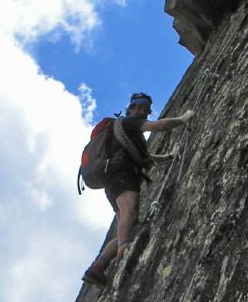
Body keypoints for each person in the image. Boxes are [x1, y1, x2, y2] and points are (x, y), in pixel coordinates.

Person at [82, 92, 195, 288]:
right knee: (130, 213)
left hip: (113, 180)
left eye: (146, 107)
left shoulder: (129, 135)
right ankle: (124, 253)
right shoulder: (129, 122)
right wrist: (183, 119)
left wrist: (169, 156)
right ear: (131, 107)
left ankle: (97, 267)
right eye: (139, 105)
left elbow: (146, 159)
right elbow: (157, 126)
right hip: (122, 175)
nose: (143, 110)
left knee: (124, 224)